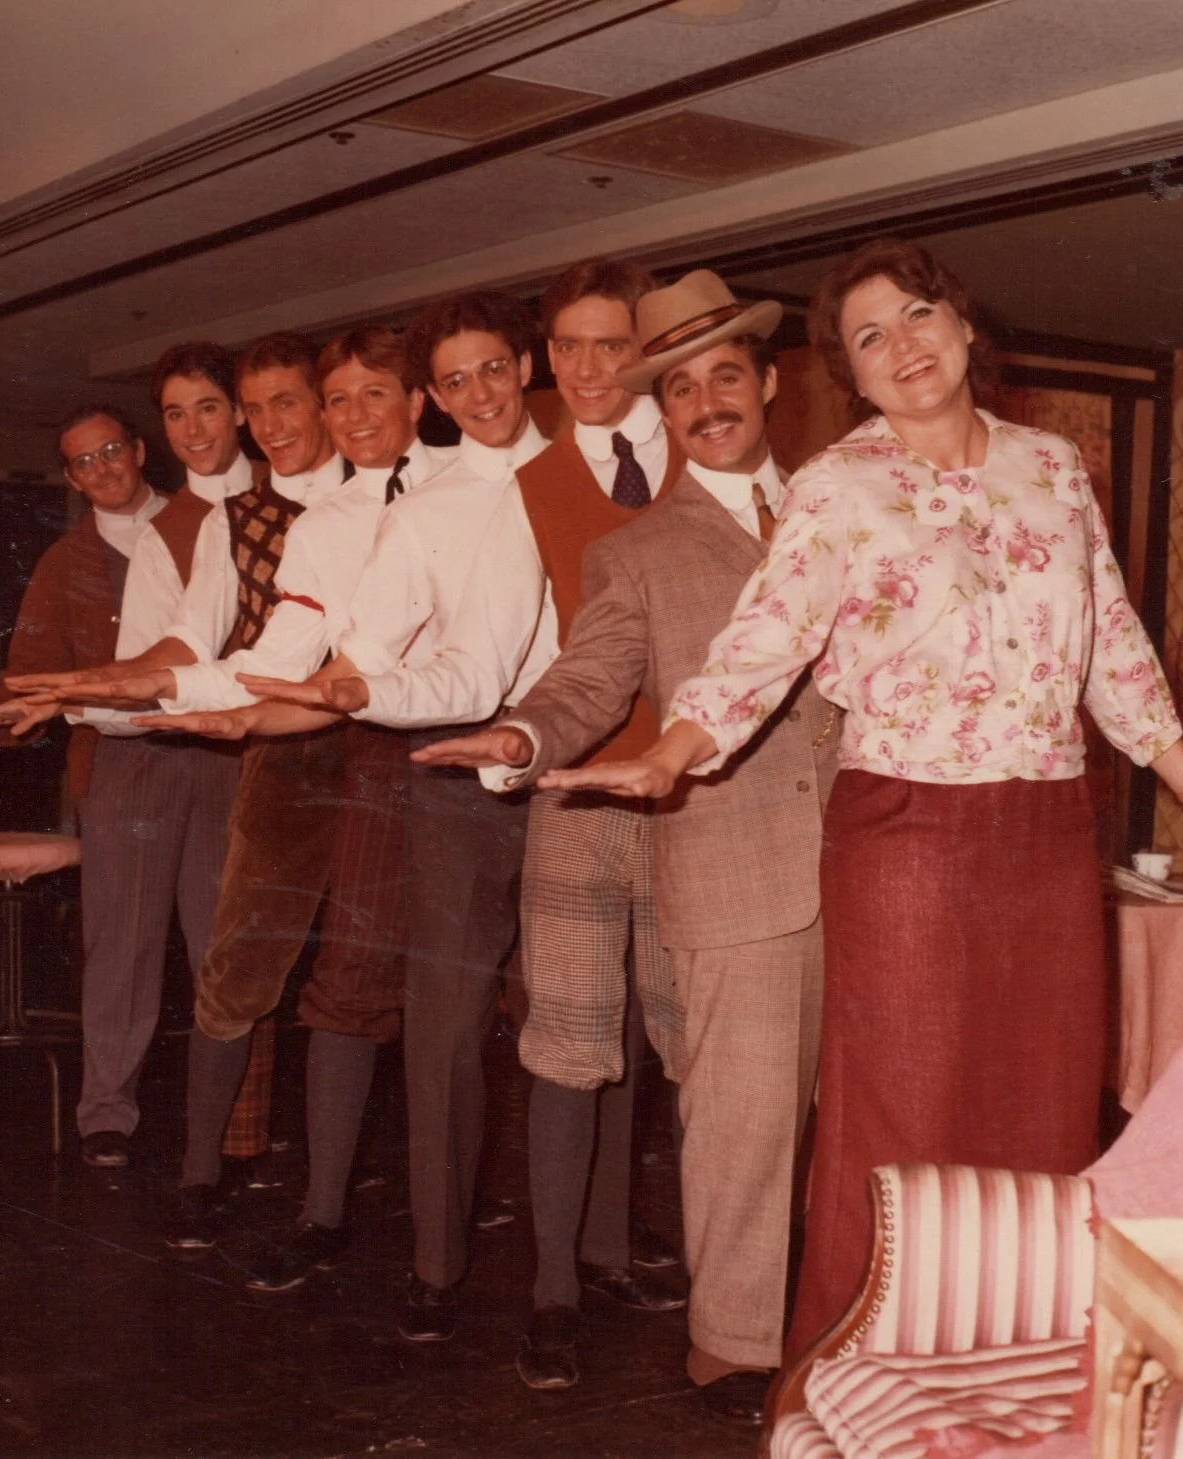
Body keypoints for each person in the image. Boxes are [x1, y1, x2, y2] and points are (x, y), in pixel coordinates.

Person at [532, 238, 1183, 1365]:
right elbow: (761, 643)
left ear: (962, 328)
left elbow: (1107, 635)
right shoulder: (834, 487)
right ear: (847, 376)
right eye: (869, 337)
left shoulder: (1052, 466)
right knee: (906, 1107)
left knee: (1042, 1100)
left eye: (916, 316)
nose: (901, 346)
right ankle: (877, 1365)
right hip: (905, 832)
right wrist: (673, 750)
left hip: (1047, 831)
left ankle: (1017, 1354)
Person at [239, 259, 692, 1389]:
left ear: (525, 367)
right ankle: (438, 1265)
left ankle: (576, 1264)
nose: (481, 391)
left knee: (589, 1013)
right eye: (456, 378)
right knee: (444, 1025)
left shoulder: (586, 465)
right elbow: (382, 646)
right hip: (449, 768)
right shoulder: (428, 504)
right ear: (433, 396)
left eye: (496, 367)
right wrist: (339, 685)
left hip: (576, 767)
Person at [414, 271, 834, 1417]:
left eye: (723, 376)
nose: (704, 401)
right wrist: (519, 732)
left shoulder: (845, 506)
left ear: (767, 382)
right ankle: (656, 1320)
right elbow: (586, 672)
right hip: (663, 822)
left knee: (821, 1108)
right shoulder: (635, 544)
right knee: (638, 1071)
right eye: (679, 383)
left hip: (861, 852)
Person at [42, 327, 454, 1285]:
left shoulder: (435, 495)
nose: (272, 427)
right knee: (238, 959)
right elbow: (197, 642)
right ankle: (198, 1174)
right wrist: (98, 685)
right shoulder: (239, 520)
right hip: (281, 752)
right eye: (256, 409)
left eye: (288, 405)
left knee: (358, 983)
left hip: (397, 754)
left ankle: (322, 1211)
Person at [0, 393, 242, 1169]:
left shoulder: (205, 520)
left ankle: (232, 1122)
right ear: (72, 477)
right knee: (120, 945)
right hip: (121, 764)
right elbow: (29, 670)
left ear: (138, 449)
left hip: (221, 755)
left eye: (113, 450)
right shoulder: (66, 563)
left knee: (224, 946)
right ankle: (106, 1113)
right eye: (84, 461)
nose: (104, 468)